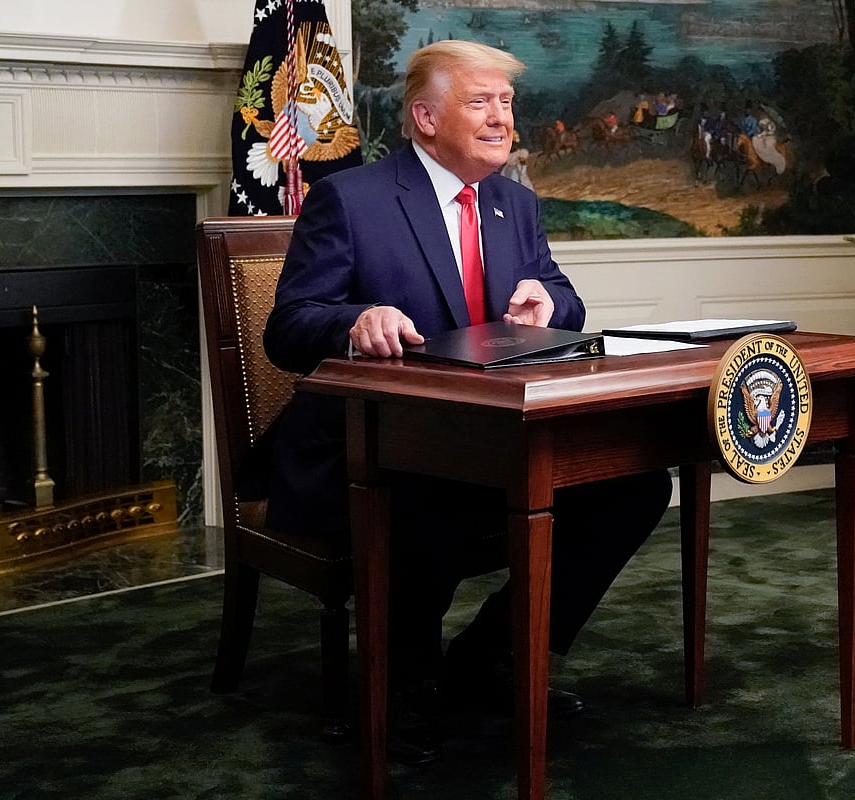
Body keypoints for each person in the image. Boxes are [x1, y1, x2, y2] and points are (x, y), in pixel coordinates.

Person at [262, 40, 673, 765]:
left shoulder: (516, 203)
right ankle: (402, 687)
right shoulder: (351, 200)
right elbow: (288, 326)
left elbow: (565, 299)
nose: (501, 118)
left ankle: (492, 657)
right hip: (366, 452)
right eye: (480, 102)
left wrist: (550, 300)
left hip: (488, 442)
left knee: (635, 484)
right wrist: (353, 322)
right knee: (428, 494)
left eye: (507, 103)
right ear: (424, 117)